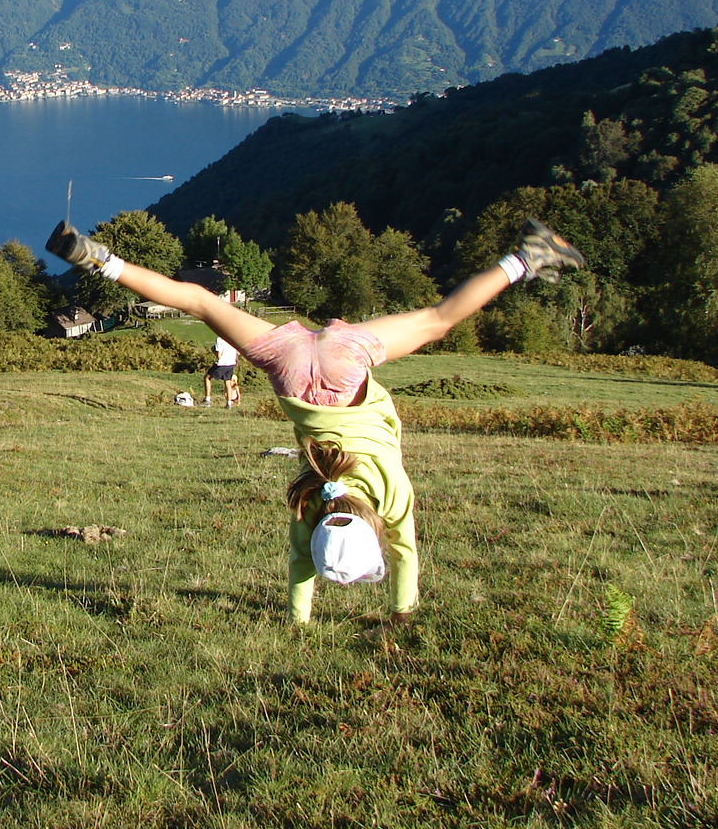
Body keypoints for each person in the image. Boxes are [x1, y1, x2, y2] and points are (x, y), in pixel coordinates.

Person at [46, 217, 584, 626]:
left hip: (346, 365)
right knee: (203, 305)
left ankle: (527, 258)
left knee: (439, 320)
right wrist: (298, 621)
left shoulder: (387, 496)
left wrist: (401, 616)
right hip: (292, 367)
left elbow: (406, 555)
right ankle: (99, 259)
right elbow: (302, 568)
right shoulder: (310, 497)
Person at [203, 335, 240, 408]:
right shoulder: (231, 337)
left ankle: (207, 399)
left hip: (222, 363)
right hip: (231, 363)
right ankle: (229, 403)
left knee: (207, 377)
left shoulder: (220, 339)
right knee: (228, 381)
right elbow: (238, 353)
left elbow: (219, 355)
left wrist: (214, 351)